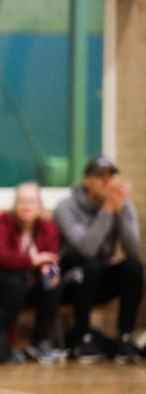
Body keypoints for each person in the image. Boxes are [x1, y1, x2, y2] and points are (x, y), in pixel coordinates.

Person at [54, 155, 143, 364]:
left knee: (134, 267)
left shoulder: (122, 205)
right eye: (101, 177)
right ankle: (81, 337)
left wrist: (119, 212)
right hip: (69, 278)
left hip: (99, 275)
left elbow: (133, 249)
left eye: (111, 177)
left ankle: (124, 337)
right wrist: (107, 211)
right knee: (90, 265)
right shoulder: (66, 208)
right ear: (87, 181)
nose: (108, 182)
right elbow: (86, 249)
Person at [0, 182, 63, 363]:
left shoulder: (49, 229)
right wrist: (32, 260)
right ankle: (7, 343)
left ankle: (39, 343)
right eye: (22, 201)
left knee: (52, 286)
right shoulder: (3, 223)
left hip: (31, 286)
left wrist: (51, 272)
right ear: (15, 205)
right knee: (13, 284)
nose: (27, 206)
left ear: (40, 206)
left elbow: (52, 259)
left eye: (32, 201)